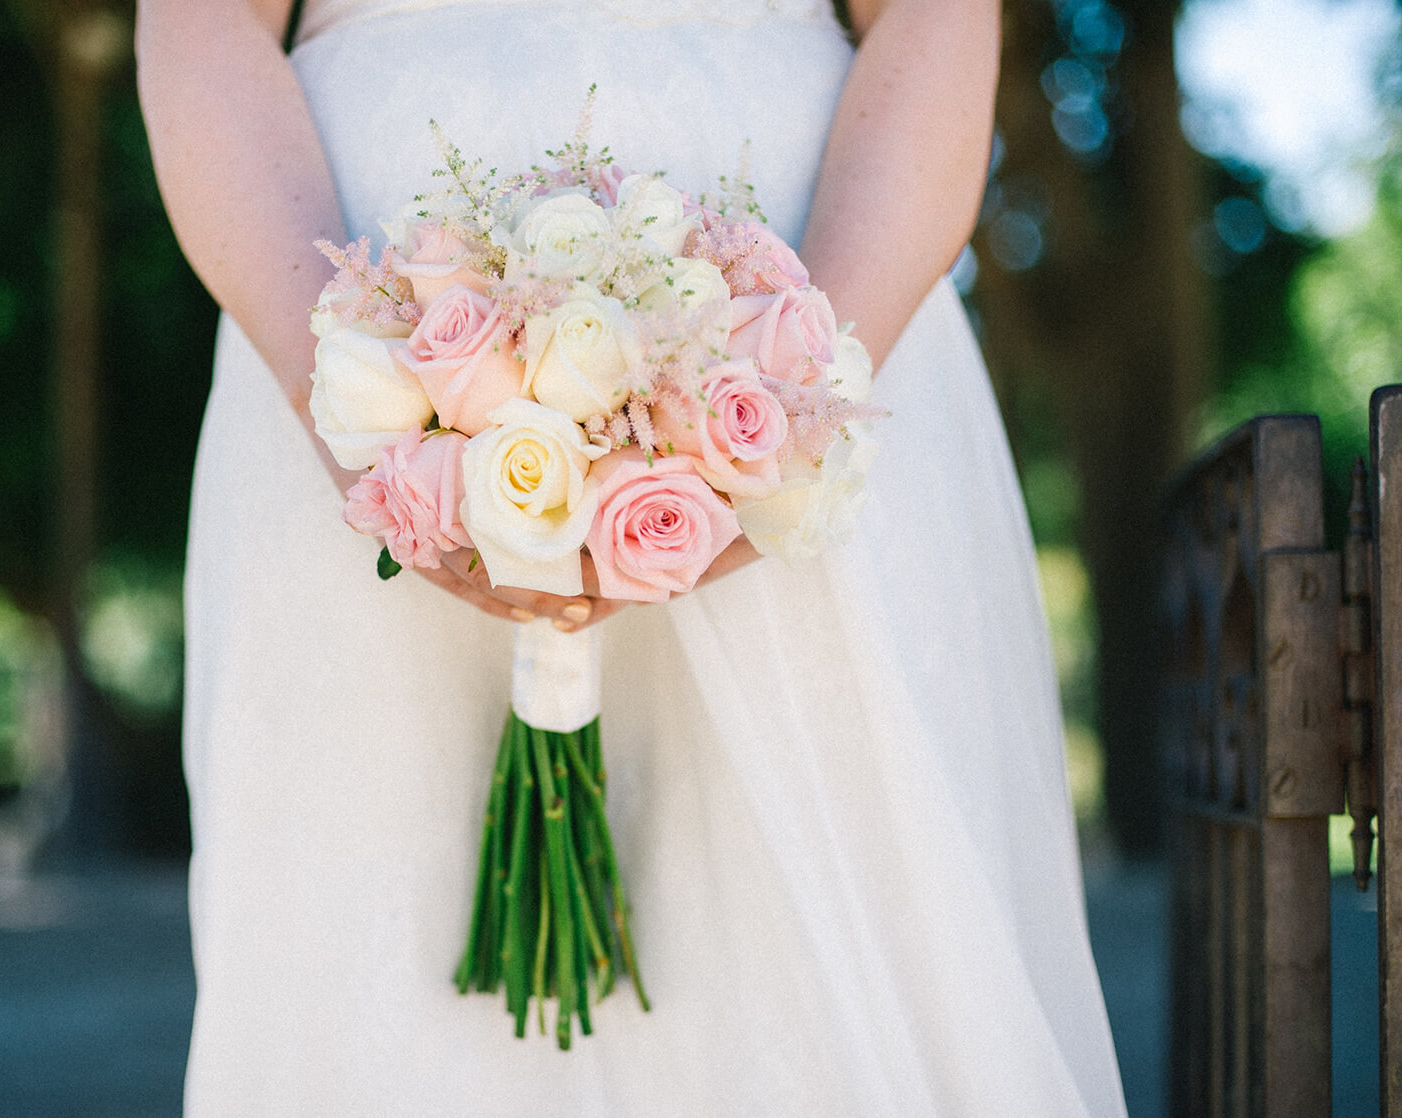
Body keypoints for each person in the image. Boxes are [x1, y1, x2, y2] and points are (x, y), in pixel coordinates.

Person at [137, 0, 1130, 1113]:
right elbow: (205, 27)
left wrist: (782, 399)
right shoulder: (347, 371)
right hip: (354, 308)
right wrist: (354, 394)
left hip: (808, 287)